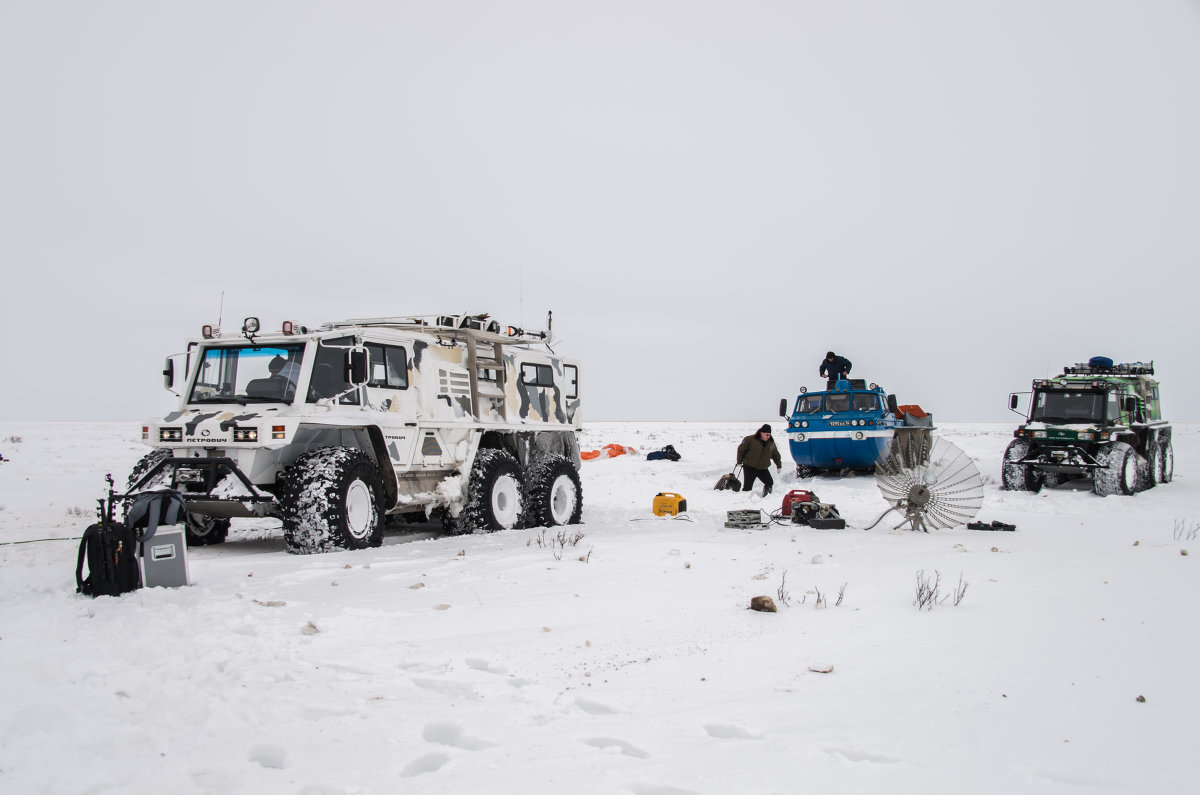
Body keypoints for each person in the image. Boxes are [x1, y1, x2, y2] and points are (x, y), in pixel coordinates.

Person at [737, 424, 782, 497]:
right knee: (747, 487)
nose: (768, 436)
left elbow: (776, 455)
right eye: (766, 434)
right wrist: (739, 462)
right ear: (761, 433)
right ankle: (744, 501)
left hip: (763, 469)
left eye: (769, 434)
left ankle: (767, 497)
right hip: (750, 467)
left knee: (769, 483)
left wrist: (779, 466)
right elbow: (741, 450)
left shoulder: (771, 443)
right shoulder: (750, 439)